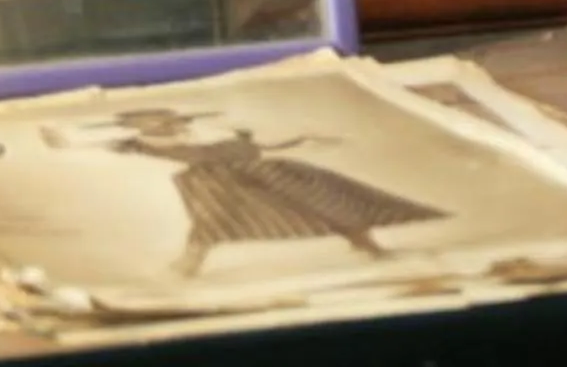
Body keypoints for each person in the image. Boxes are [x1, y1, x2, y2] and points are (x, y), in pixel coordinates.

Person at [102, 109, 447, 277]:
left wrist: (303, 139)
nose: (160, 126)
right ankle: (189, 263)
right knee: (213, 219)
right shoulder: (152, 143)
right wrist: (140, 145)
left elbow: (259, 145)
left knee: (328, 202)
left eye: (161, 120)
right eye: (147, 124)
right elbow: (192, 155)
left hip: (267, 173)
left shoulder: (209, 128)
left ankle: (367, 246)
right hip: (218, 185)